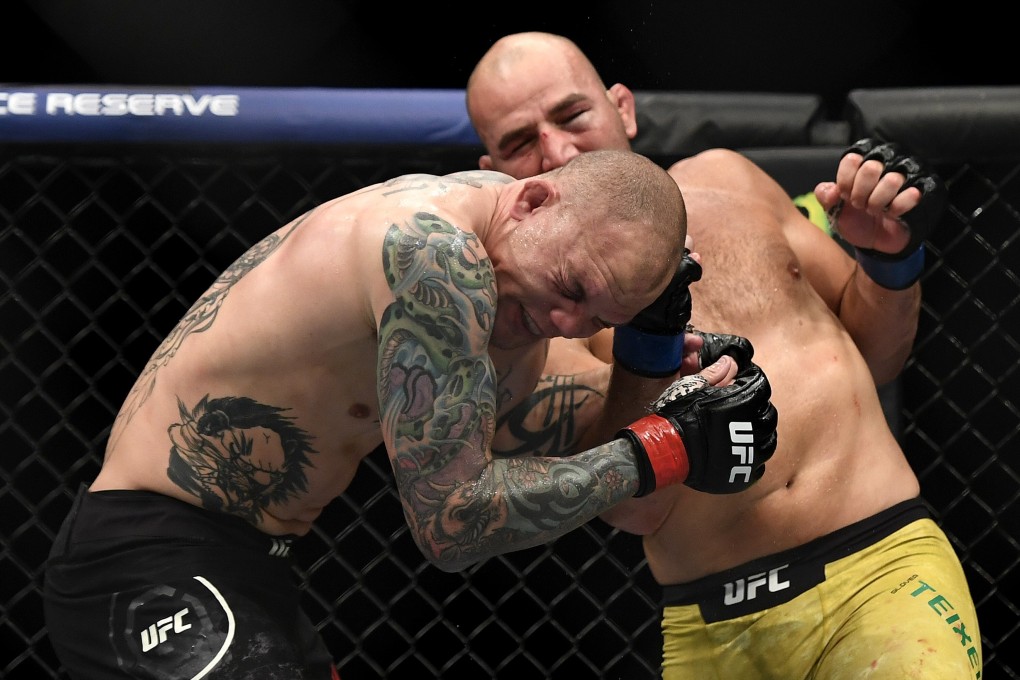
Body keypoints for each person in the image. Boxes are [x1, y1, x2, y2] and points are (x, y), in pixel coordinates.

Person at [42, 149, 780, 679]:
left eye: (595, 314)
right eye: (570, 285)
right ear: (532, 200)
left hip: (249, 569)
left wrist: (650, 365)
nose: (563, 320)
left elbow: (610, 478)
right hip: (145, 555)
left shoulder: (514, 302)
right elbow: (453, 521)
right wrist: (666, 446)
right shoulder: (435, 253)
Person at [466, 32, 982, 679]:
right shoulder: (528, 323)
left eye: (572, 116)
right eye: (520, 141)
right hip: (713, 625)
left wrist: (889, 264)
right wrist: (646, 345)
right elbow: (635, 508)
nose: (557, 151)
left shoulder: (727, 178)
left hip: (881, 573)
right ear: (491, 167)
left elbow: (875, 358)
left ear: (621, 109)